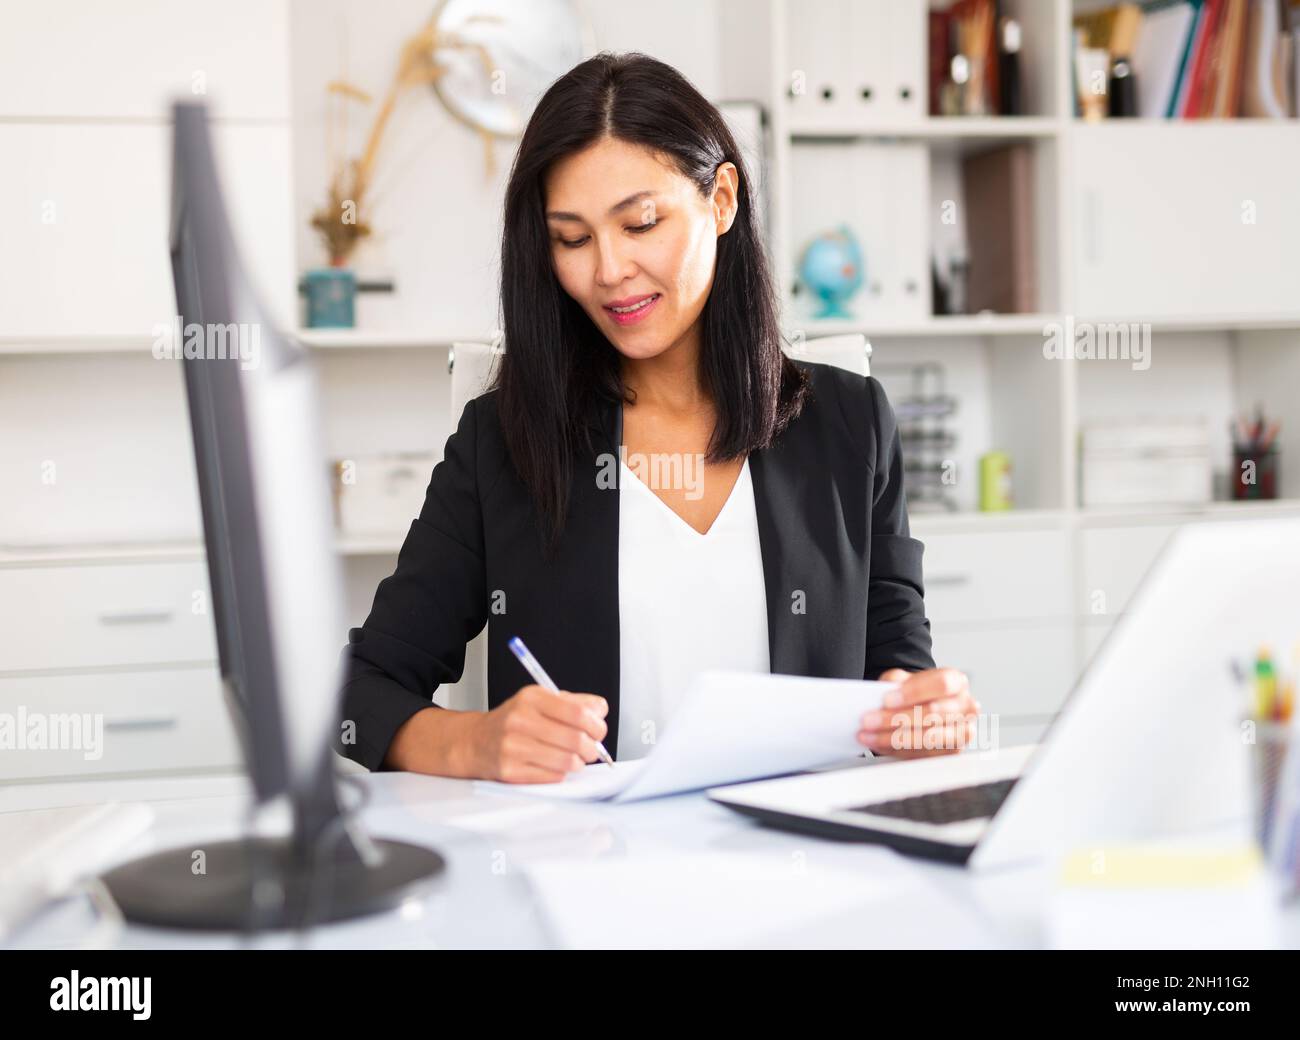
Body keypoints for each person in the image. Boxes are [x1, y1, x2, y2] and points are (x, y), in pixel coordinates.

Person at [337, 51, 980, 781]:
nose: (608, 270)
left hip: (802, 870)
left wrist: (917, 709)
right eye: (572, 239)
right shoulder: (504, 443)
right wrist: (474, 743)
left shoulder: (852, 422)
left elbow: (897, 663)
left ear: (723, 199)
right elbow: (359, 692)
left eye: (641, 223)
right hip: (587, 872)